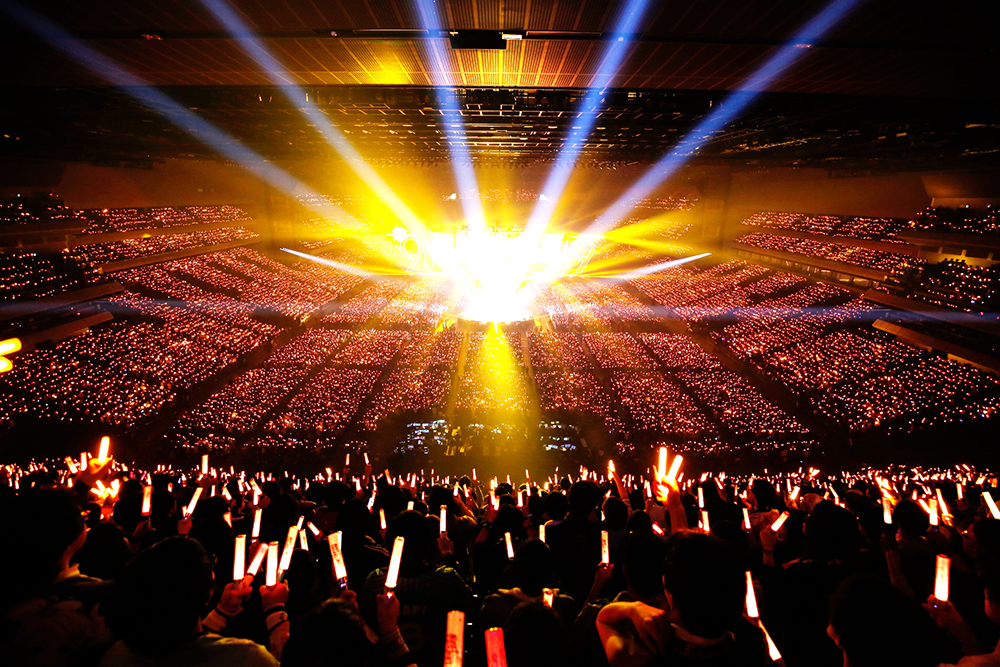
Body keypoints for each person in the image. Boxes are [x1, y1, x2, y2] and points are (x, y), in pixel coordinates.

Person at [100, 536, 277, 667]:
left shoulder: (118, 653)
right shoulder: (244, 658)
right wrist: (275, 612)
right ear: (209, 591)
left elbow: (182, 641)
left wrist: (222, 612)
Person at [596, 531, 768, 666]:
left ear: (671, 598)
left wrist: (633, 608)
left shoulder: (643, 656)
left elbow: (603, 620)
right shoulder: (753, 642)